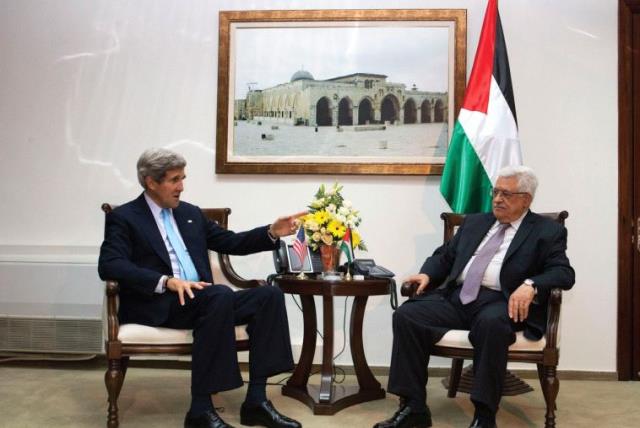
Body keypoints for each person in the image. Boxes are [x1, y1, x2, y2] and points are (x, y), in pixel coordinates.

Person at [98, 148, 304, 428]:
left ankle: (256, 401)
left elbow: (232, 242)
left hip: (204, 300)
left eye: (183, 178)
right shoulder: (125, 217)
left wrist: (271, 232)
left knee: (269, 294)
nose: (181, 187)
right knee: (218, 294)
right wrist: (165, 281)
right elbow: (109, 265)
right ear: (151, 182)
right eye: (174, 180)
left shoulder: (190, 213)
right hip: (161, 303)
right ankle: (200, 410)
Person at [373, 166, 575, 428]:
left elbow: (563, 272)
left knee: (492, 325)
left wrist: (531, 284)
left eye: (506, 194)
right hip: (458, 297)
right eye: (496, 192)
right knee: (407, 315)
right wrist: (427, 275)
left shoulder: (547, 231)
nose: (498, 199)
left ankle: (484, 415)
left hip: (502, 302)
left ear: (526, 199)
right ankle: (414, 408)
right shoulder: (475, 222)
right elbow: (444, 256)